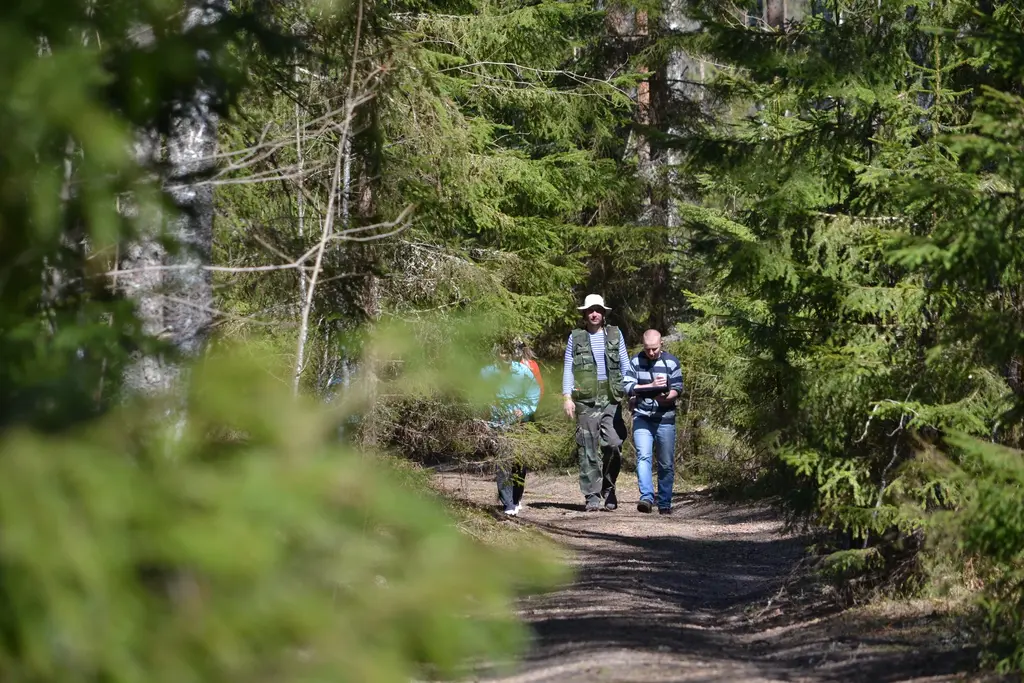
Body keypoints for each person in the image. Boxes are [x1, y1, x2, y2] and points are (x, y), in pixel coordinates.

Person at [562, 294, 630, 512]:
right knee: (588, 447)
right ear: (585, 314)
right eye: (590, 310)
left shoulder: (614, 334)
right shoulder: (576, 337)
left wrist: (631, 390)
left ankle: (608, 487)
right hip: (585, 399)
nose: (594, 314)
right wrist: (567, 397)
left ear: (603, 313)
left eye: (598, 310)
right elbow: (568, 368)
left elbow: (625, 364)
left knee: (614, 443)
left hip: (611, 397)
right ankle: (592, 495)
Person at [623, 329, 684, 514]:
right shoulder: (635, 361)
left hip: (665, 418)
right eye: (647, 349)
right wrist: (650, 387)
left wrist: (666, 397)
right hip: (642, 416)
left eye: (654, 349)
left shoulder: (671, 362)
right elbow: (627, 386)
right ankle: (647, 498)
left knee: (666, 463)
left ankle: (664, 503)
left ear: (661, 344)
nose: (650, 352)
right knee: (643, 456)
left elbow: (677, 388)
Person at [482, 343, 541, 516]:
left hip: (521, 423)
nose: (506, 355)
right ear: (497, 354)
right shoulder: (487, 372)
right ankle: (507, 502)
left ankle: (516, 498)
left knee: (519, 464)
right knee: (503, 462)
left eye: (509, 352)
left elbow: (534, 393)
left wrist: (524, 410)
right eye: (503, 352)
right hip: (499, 423)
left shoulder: (523, 371)